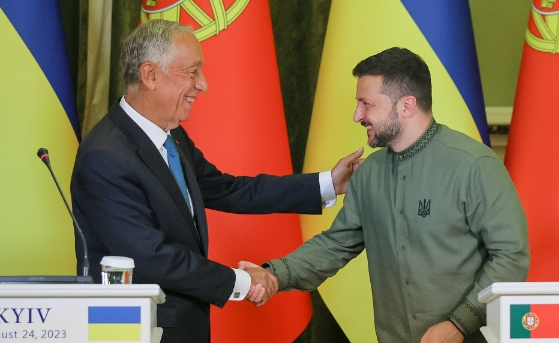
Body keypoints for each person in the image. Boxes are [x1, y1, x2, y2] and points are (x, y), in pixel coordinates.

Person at [70, 19, 362, 343]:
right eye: (192, 71)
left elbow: (232, 190)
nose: (203, 84)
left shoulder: (172, 136)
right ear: (150, 75)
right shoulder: (105, 157)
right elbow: (152, 258)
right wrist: (242, 282)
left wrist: (327, 184)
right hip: (138, 332)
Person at [252, 47, 530, 343]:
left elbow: (511, 256)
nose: (357, 115)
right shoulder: (368, 174)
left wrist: (458, 326)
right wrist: (272, 273)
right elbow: (335, 245)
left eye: (366, 104)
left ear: (407, 106)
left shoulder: (475, 166)